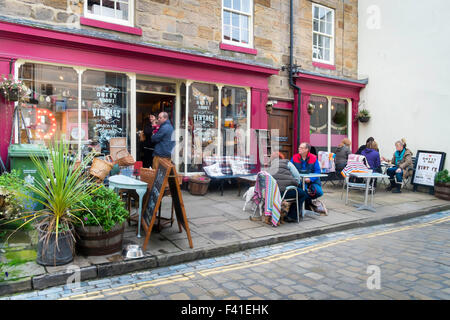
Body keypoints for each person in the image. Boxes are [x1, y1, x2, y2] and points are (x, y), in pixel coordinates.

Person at [286, 143, 324, 222]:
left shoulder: (313, 158)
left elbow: (317, 172)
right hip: (299, 181)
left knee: (319, 192)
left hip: (312, 181)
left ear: (307, 149)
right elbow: (289, 169)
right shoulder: (295, 157)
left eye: (301, 148)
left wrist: (310, 179)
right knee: (303, 192)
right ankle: (304, 205)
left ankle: (306, 202)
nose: (299, 149)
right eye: (299, 147)